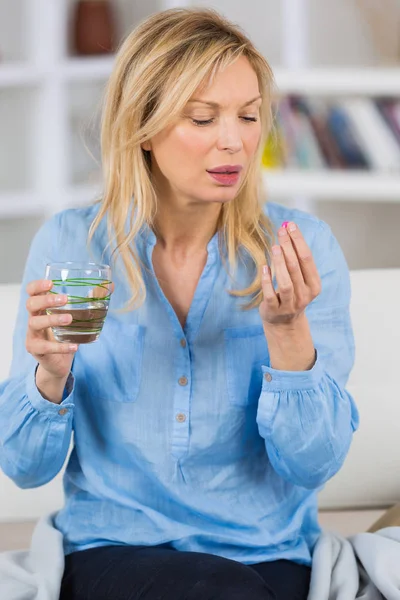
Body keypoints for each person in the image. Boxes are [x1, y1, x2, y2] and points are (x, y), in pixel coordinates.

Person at [0, 8, 359, 600]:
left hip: (264, 553)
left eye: (248, 116)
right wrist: (49, 373)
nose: (233, 141)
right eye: (202, 117)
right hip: (115, 551)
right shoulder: (72, 245)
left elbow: (314, 465)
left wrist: (289, 332)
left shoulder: (302, 247)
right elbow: (24, 467)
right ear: (141, 125)